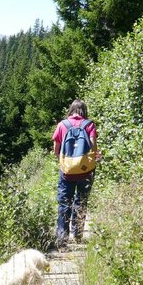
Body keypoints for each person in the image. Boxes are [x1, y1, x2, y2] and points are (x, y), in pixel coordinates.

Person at [52, 99, 99, 249]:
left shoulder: (62, 125)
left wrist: (66, 162)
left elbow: (56, 149)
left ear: (71, 110)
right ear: (84, 111)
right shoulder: (89, 125)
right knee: (81, 201)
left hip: (67, 172)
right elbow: (93, 147)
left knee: (65, 202)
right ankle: (78, 235)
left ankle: (62, 240)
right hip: (85, 171)